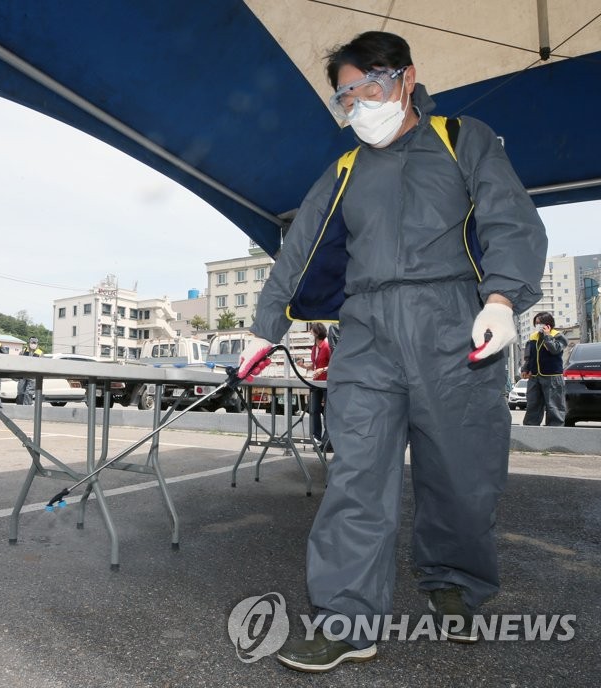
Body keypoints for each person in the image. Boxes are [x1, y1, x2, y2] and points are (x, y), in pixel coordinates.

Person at [237, 31, 547, 672]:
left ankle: (454, 584)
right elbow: (298, 251)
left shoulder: (463, 137)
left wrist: (504, 300)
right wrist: (266, 326)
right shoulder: (345, 169)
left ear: (405, 78)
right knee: (355, 476)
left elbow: (508, 217)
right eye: (345, 96)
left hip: (456, 323)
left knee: (462, 473)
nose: (358, 104)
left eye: (368, 86)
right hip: (368, 333)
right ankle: (348, 620)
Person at [520, 311, 568, 426]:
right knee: (533, 405)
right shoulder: (533, 337)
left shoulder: (558, 336)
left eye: (541, 323)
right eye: (536, 323)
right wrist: (525, 369)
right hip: (535, 377)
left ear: (548, 324)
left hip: (552, 377)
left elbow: (555, 349)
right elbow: (529, 356)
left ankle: (555, 433)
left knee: (554, 407)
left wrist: (547, 336)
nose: (538, 325)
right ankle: (530, 431)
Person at [296, 323, 331, 448]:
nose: (310, 334)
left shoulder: (327, 346)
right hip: (315, 382)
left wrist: (323, 370)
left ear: (317, 333)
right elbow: (315, 366)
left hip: (326, 383)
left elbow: (334, 364)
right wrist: (304, 366)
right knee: (314, 410)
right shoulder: (315, 348)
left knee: (327, 412)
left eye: (312, 332)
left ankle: (327, 441)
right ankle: (316, 437)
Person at [16, 335, 44, 405]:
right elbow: (18, 362)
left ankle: (27, 409)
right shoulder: (23, 351)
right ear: (29, 342)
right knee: (20, 392)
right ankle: (19, 408)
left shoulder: (40, 353)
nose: (33, 344)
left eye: (35, 343)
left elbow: (42, 365)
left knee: (29, 393)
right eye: (32, 342)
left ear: (37, 343)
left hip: (33, 376)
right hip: (23, 375)